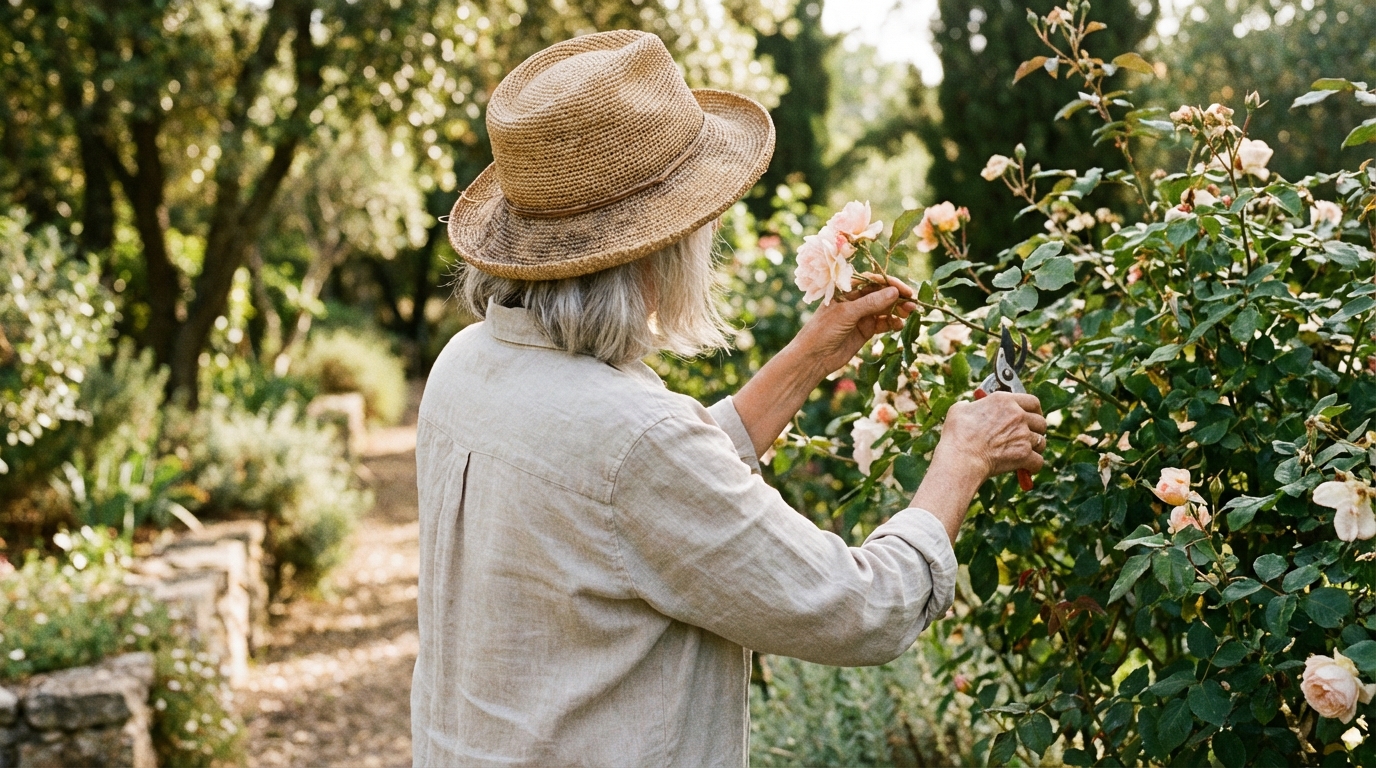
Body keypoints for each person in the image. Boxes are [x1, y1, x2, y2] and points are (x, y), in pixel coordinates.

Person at [412, 29, 1046, 767]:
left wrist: (811, 355)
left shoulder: (468, 363)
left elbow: (627, 496)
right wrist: (962, 458)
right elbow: (863, 609)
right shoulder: (630, 442)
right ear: (658, 246)